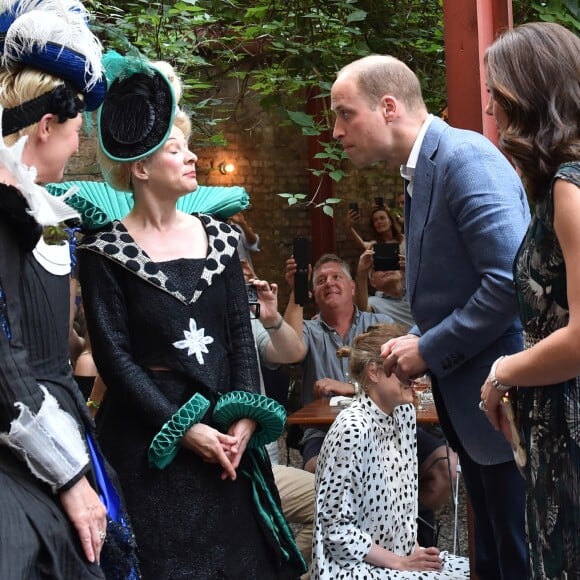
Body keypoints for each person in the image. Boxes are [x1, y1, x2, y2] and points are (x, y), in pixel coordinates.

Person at [77, 52, 304, 579]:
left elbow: (240, 342)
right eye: (174, 149)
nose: (191, 157)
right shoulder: (102, 251)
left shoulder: (223, 238)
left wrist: (245, 418)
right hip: (148, 454)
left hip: (228, 449)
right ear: (139, 167)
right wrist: (184, 431)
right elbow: (115, 360)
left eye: (187, 146)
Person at [330, 54, 530, 579]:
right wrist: (418, 336)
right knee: (491, 557)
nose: (336, 130)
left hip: (504, 406)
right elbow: (452, 290)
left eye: (345, 114)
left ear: (389, 106)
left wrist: (430, 347)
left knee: (516, 558)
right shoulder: (419, 171)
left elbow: (509, 281)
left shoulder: (465, 158)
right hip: (473, 411)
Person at [0, 2, 140, 579]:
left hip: (56, 419)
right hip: (17, 441)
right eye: (78, 130)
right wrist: (65, 474)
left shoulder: (48, 213)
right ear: (46, 125)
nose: (80, 147)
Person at [479, 22, 580, 579]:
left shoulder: (571, 186)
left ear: (532, 94)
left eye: (495, 92)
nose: (490, 109)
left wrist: (501, 373)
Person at [284, 253, 457, 545]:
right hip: (326, 430)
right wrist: (296, 289)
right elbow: (289, 350)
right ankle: (362, 538)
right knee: (320, 475)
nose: (329, 283)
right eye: (321, 280)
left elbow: (408, 376)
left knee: (447, 467)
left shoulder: (381, 323)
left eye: (337, 276)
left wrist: (347, 387)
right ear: (313, 293)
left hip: (391, 425)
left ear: (353, 286)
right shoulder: (308, 331)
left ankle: (403, 528)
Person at [312, 322, 469, 578]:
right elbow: (335, 530)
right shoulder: (353, 428)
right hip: (352, 568)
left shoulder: (403, 413)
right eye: (402, 367)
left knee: (479, 569)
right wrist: (400, 562)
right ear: (374, 372)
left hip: (395, 556)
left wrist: (412, 549)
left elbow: (403, 500)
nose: (414, 375)